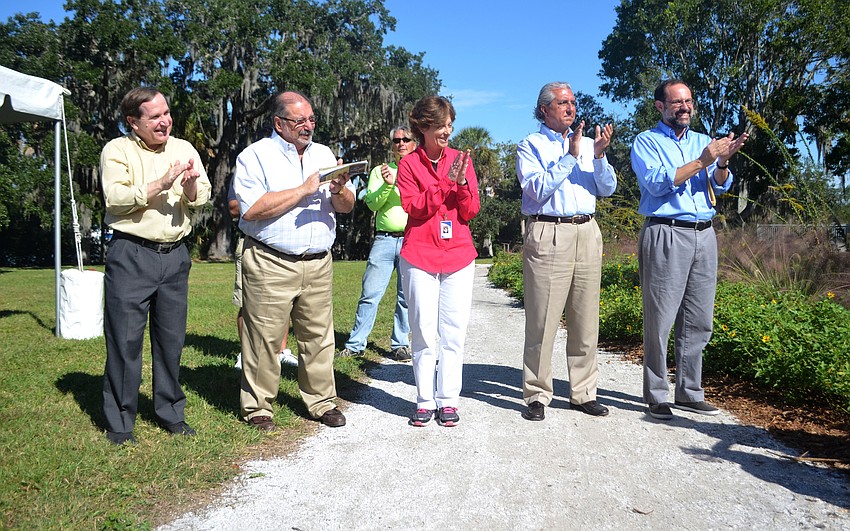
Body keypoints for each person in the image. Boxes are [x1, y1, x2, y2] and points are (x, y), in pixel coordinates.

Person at [232, 90, 355, 432]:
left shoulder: (324, 154)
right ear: (278, 122)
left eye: (311, 119)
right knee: (264, 339)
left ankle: (322, 401)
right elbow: (253, 209)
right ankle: (258, 407)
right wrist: (303, 189)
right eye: (299, 120)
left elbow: (346, 207)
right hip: (272, 261)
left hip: (318, 261)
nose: (308, 126)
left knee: (318, 336)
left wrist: (339, 190)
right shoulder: (255, 156)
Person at [630, 79, 748, 420]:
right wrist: (702, 161)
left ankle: (689, 391)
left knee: (699, 319)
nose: (685, 107)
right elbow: (655, 183)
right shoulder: (646, 141)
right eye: (677, 102)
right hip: (666, 232)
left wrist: (722, 162)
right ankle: (656, 394)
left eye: (689, 101)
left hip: (704, 234)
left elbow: (721, 186)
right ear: (660, 106)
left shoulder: (702, 141)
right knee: (661, 318)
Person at [100, 87, 211, 445]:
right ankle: (120, 423)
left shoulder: (183, 149)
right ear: (133, 122)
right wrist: (162, 182)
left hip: (175, 255)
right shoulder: (118, 150)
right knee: (125, 340)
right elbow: (115, 198)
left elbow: (201, 197)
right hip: (132, 254)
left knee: (171, 341)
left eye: (167, 113)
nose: (165, 121)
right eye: (155, 116)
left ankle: (170, 412)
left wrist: (190, 186)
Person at [515, 82, 617, 422]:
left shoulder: (589, 144)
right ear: (544, 109)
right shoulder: (530, 145)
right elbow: (535, 189)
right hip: (548, 230)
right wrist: (569, 157)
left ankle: (583, 392)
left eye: (572, 102)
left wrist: (598, 155)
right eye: (563, 102)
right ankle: (537, 393)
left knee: (585, 318)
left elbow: (607, 188)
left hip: (587, 231)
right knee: (543, 320)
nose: (571, 107)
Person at [396, 96, 480, 427]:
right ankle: (424, 400)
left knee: (453, 332)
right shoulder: (409, 165)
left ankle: (448, 400)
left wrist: (459, 185)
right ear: (424, 126)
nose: (448, 130)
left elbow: (471, 210)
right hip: (419, 256)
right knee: (424, 332)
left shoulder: (462, 159)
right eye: (442, 124)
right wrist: (446, 182)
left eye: (450, 124)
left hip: (458, 255)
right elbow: (414, 207)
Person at [337, 126, 415, 361]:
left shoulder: (421, 171)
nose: (401, 143)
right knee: (370, 293)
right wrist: (389, 184)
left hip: (412, 239)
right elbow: (371, 203)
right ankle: (355, 344)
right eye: (396, 140)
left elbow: (421, 202)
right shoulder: (380, 171)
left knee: (406, 298)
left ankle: (400, 344)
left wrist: (400, 184)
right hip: (384, 239)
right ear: (392, 145)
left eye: (406, 139)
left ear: (414, 143)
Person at [227, 192, 296, 369]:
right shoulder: (247, 167)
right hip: (251, 243)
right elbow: (234, 208)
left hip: (284, 243)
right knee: (247, 302)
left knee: (285, 301)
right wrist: (268, 202)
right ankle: (246, 354)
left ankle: (280, 352)